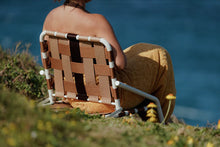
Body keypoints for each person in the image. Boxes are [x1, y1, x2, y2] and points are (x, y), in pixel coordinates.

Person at [43, 0, 176, 121]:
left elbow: (49, 61)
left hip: (71, 96)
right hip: (104, 100)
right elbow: (120, 63)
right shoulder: (97, 22)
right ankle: (160, 119)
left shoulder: (50, 17)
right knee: (160, 55)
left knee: (139, 50)